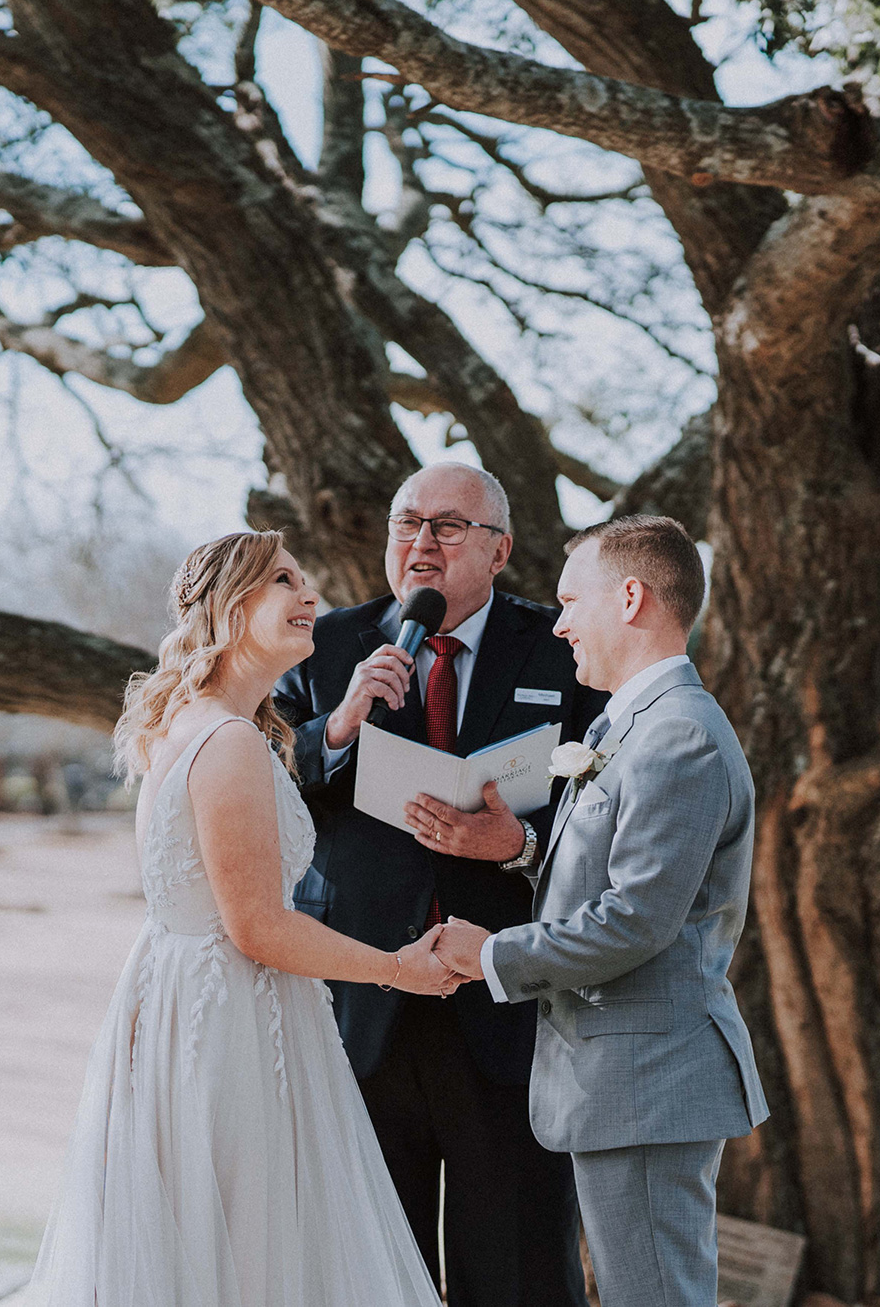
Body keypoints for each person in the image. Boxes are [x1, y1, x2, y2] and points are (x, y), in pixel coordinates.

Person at [23, 530, 461, 1307]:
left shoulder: (210, 726)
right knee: (253, 1249)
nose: (310, 596)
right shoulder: (225, 742)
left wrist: (348, 714)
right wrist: (402, 969)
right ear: (230, 609)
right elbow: (257, 926)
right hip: (226, 1027)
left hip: (198, 1006)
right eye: (284, 581)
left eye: (305, 578)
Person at [274, 464, 605, 1306]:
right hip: (362, 1000)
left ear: (499, 551)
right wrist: (336, 727)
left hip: (504, 1001)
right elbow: (250, 781)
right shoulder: (325, 644)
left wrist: (521, 842)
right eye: (407, 523)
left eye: (448, 526)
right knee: (371, 1268)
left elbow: (609, 808)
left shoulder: (561, 646)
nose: (421, 542)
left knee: (521, 1268)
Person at [433, 515, 771, 1307]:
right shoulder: (629, 723)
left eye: (568, 600)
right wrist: (520, 849)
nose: (558, 623)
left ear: (630, 597)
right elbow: (615, 877)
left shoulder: (679, 734)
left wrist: (491, 955)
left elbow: (636, 919)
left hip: (649, 1079)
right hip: (624, 1077)